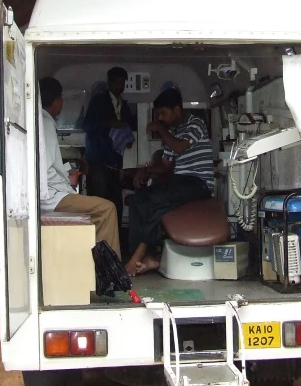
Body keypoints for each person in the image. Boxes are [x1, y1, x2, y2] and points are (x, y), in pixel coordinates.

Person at [124, 88, 214, 276]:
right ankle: (144, 255)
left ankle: (140, 256)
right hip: (179, 181)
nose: (161, 118)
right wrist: (144, 171)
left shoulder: (196, 123)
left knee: (158, 200)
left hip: (199, 183)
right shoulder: (173, 131)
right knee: (138, 199)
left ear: (177, 109)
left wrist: (161, 129)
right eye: (158, 115)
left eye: (164, 113)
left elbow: (180, 147)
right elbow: (165, 166)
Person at [39, 77, 121, 257]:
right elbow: (43, 171)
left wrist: (66, 179)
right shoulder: (44, 123)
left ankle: (93, 263)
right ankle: (109, 272)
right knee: (107, 209)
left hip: (50, 195)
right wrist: (65, 185)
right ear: (57, 100)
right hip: (51, 199)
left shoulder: (40, 122)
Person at [82, 67, 134, 228]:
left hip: (115, 164)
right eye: (116, 82)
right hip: (98, 161)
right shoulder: (98, 101)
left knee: (115, 205)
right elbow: (87, 126)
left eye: (122, 83)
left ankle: (115, 245)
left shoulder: (124, 106)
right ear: (109, 83)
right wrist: (109, 123)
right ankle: (98, 245)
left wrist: (127, 137)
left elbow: (127, 129)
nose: (119, 86)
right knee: (99, 204)